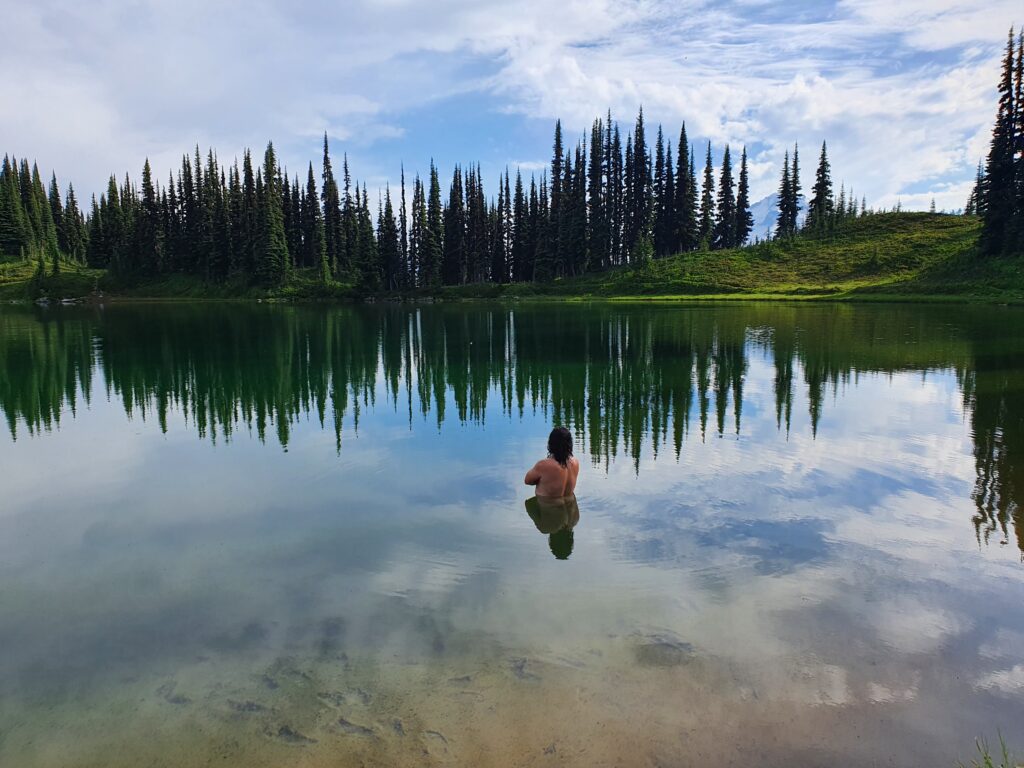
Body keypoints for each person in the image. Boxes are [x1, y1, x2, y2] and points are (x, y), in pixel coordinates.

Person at [524, 426, 579, 498]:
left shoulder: (543, 465)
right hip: (571, 506)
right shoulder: (575, 463)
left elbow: (527, 481)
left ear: (551, 443)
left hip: (548, 507)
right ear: (570, 444)